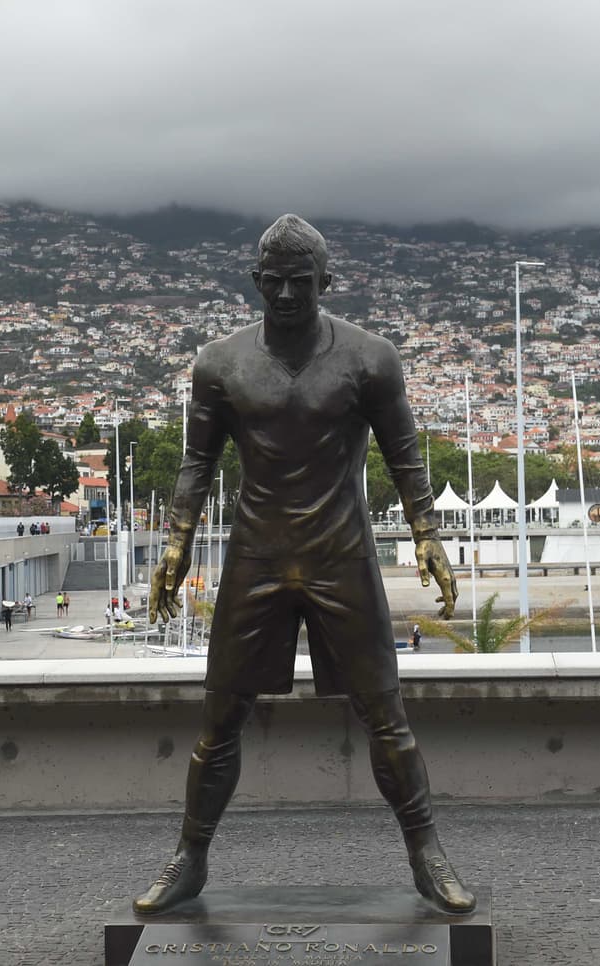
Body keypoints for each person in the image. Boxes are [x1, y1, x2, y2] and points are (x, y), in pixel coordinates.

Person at [135, 215, 468, 916]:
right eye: (273, 282)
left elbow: (405, 454)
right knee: (219, 718)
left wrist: (427, 533)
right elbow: (198, 462)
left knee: (385, 713)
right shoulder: (220, 363)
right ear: (256, 282)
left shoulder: (369, 358)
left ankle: (426, 851)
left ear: (326, 282)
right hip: (256, 553)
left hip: (340, 552)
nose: (285, 294)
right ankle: (190, 857)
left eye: (300, 281)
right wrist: (175, 542)